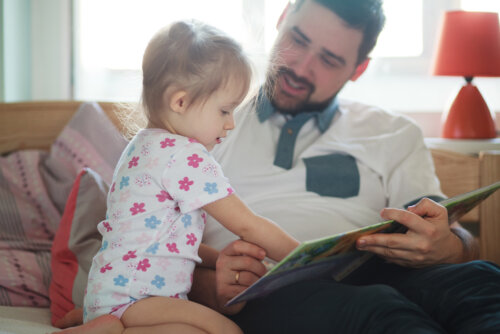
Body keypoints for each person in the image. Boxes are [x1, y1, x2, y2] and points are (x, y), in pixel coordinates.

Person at [185, 0, 500, 333]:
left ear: (358, 69)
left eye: (329, 60)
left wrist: (450, 246)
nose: (302, 68)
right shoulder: (199, 125)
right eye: (299, 40)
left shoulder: (394, 132)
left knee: (482, 279)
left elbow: (449, 231)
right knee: (379, 311)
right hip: (267, 291)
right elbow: (149, 249)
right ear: (281, 19)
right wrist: (212, 289)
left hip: (389, 275)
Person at [57, 20, 299, 334]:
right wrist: (307, 259)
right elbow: (247, 224)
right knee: (228, 331)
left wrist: (216, 259)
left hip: (115, 293)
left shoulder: (143, 146)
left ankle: (98, 324)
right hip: (136, 296)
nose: (230, 125)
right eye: (225, 111)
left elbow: (164, 240)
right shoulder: (186, 156)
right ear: (181, 101)